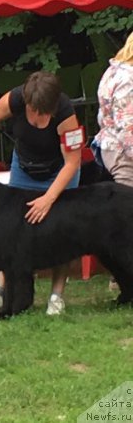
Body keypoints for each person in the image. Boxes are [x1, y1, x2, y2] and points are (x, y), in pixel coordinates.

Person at [0, 71, 81, 316]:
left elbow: (72, 163)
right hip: (24, 168)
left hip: (59, 172)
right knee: (11, 233)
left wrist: (49, 198)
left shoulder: (65, 114)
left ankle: (56, 297)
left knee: (61, 232)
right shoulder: (15, 99)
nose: (37, 116)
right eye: (33, 109)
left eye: (43, 112)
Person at [94, 31, 133, 292]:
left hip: (109, 148)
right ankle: (122, 279)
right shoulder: (129, 81)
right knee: (127, 220)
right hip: (126, 154)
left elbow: (101, 116)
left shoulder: (111, 72)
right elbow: (129, 128)